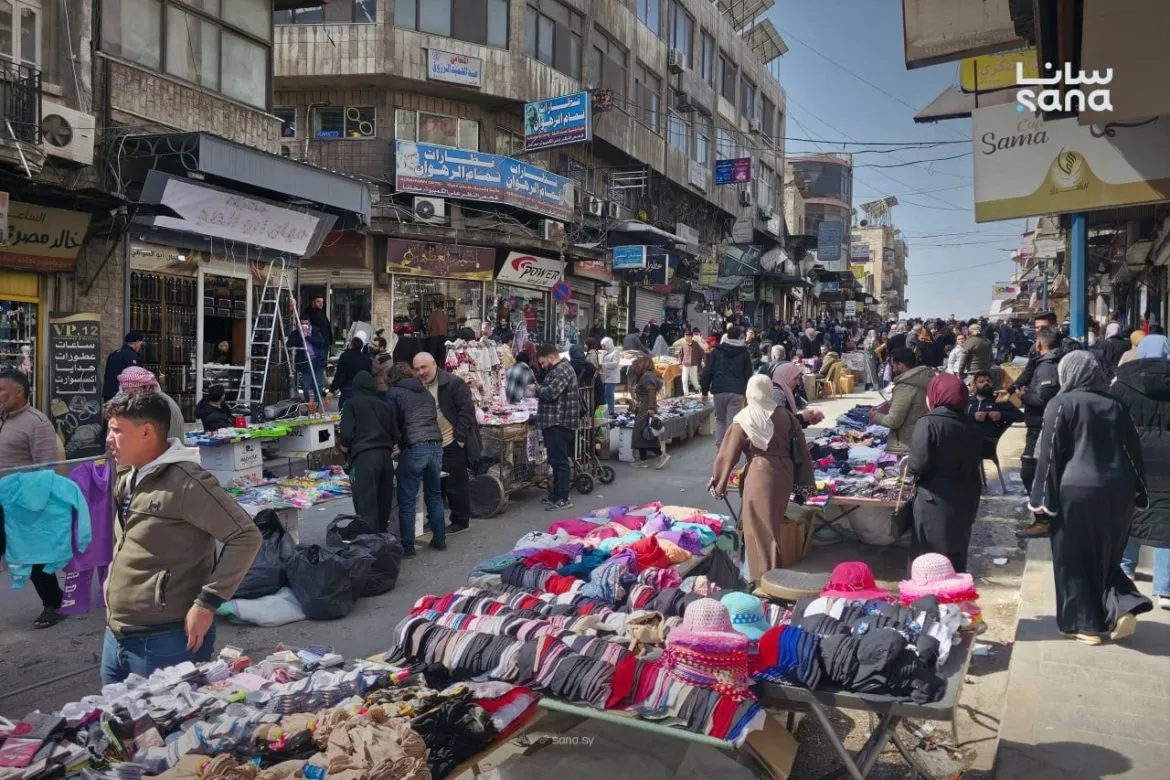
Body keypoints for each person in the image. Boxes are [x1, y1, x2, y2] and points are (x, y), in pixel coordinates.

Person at [101, 391, 261, 683]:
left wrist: (206, 604)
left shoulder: (187, 482)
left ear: (147, 431)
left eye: (116, 430)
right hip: (117, 635)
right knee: (113, 727)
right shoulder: (130, 476)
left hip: (166, 641)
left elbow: (245, 536)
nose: (109, 439)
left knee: (167, 727)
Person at [1028, 351, 1152, 644]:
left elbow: (1049, 459)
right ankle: (1123, 606)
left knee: (1072, 560)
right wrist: (1139, 491)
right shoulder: (1116, 405)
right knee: (1107, 557)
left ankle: (1083, 626)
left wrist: (1041, 505)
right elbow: (1134, 451)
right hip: (1118, 493)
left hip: (1076, 494)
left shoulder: (1060, 404)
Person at [708, 374, 815, 582]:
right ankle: (765, 576)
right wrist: (804, 483)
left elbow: (727, 453)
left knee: (760, 532)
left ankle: (767, 580)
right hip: (784, 474)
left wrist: (718, 482)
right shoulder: (786, 416)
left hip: (759, 474)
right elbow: (802, 451)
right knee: (771, 526)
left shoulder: (745, 418)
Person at [0, 368, 68, 629]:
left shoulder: (37, 423)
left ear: (18, 392)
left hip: (22, 503)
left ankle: (53, 604)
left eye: (1, 390)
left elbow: (46, 467)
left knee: (34, 559)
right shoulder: (3, 418)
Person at [906, 374, 984, 573]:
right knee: (955, 561)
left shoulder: (928, 423)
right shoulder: (972, 426)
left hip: (933, 503)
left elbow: (918, 465)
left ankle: (928, 602)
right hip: (964, 501)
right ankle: (953, 600)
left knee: (929, 563)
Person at [1113, 344, 1170, 610]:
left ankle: (1126, 569)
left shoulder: (1123, 383)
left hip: (1131, 454)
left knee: (1131, 510)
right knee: (1166, 519)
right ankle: (1164, 588)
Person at [1002, 328, 1063, 534]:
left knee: (1030, 472)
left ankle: (1043, 519)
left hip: (1040, 426)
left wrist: (1021, 396)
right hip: (1038, 425)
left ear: (1039, 343)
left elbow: (1042, 399)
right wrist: (1012, 390)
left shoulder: (1047, 367)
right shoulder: (1042, 360)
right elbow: (1027, 373)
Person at [413, 352, 480, 535]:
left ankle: (460, 521)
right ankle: (434, 519)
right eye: (417, 369)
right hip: (430, 443)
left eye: (424, 367)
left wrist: (459, 439)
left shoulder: (452, 383)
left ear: (434, 364)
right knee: (433, 486)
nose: (421, 372)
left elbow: (466, 411)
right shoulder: (418, 386)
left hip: (451, 441)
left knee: (455, 483)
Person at [386, 363, 445, 557]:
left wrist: (396, 444)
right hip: (435, 445)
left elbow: (393, 423)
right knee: (434, 495)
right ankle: (440, 539)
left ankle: (408, 548)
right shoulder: (425, 392)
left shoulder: (394, 393)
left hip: (414, 447)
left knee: (408, 500)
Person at [338, 371, 399, 533]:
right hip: (386, 458)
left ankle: (370, 547)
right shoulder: (385, 405)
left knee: (366, 504)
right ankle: (382, 543)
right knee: (383, 502)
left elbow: (346, 434)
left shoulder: (351, 404)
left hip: (365, 457)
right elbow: (395, 434)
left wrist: (344, 446)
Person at [533, 343, 578, 511]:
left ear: (551, 357)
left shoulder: (562, 369)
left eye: (543, 362)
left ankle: (563, 498)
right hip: (553, 421)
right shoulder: (556, 369)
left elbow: (551, 392)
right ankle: (556, 494)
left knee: (559, 461)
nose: (542, 366)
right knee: (554, 459)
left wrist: (536, 389)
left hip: (559, 421)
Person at [869, 348, 932, 455]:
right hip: (923, 436)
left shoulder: (904, 388)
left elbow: (892, 421)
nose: (893, 370)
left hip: (906, 442)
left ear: (901, 365)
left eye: (894, 366)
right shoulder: (925, 378)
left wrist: (874, 415)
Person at [700, 325, 753, 448]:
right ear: (740, 336)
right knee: (732, 421)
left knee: (720, 420)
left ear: (727, 336)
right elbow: (748, 374)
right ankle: (729, 450)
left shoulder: (716, 351)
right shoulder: (744, 352)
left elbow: (707, 372)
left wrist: (704, 391)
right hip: (737, 391)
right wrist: (748, 394)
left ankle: (720, 447)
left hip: (719, 390)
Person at [117, 367, 185, 441]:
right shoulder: (128, 403)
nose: (128, 398)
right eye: (125, 392)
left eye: (132, 393)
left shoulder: (162, 405)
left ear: (147, 387)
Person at [630, 356, 668, 469]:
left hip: (645, 408)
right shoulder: (647, 376)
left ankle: (660, 455)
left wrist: (651, 408)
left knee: (642, 434)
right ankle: (643, 460)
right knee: (642, 435)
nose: (635, 367)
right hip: (643, 407)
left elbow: (651, 392)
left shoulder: (646, 376)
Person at [967, 371, 1023, 444]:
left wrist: (1001, 415)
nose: (986, 383)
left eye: (988, 381)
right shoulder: (968, 401)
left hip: (992, 440)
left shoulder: (999, 400)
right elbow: (956, 415)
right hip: (968, 439)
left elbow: (1021, 416)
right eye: (981, 381)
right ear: (975, 385)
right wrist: (973, 416)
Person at [771, 362, 824, 428]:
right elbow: (781, 422)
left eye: (798, 379)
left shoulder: (786, 391)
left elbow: (789, 423)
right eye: (795, 379)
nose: (798, 383)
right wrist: (802, 417)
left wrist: (807, 421)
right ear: (786, 376)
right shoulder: (777, 394)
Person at [330, 336, 373, 410]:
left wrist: (332, 389)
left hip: (348, 389)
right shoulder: (366, 359)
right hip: (362, 391)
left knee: (345, 413)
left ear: (350, 345)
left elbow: (340, 374)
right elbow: (369, 376)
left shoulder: (345, 356)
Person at [102, 332, 144, 402]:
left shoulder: (113, 354)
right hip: (121, 396)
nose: (141, 345)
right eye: (141, 343)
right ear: (136, 342)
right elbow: (133, 377)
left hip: (109, 394)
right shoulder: (131, 355)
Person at [599, 337, 621, 415]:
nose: (603, 347)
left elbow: (615, 364)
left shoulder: (615, 352)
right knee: (606, 394)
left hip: (612, 377)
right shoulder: (606, 353)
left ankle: (611, 411)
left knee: (608, 394)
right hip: (606, 377)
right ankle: (608, 410)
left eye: (604, 345)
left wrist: (603, 365)